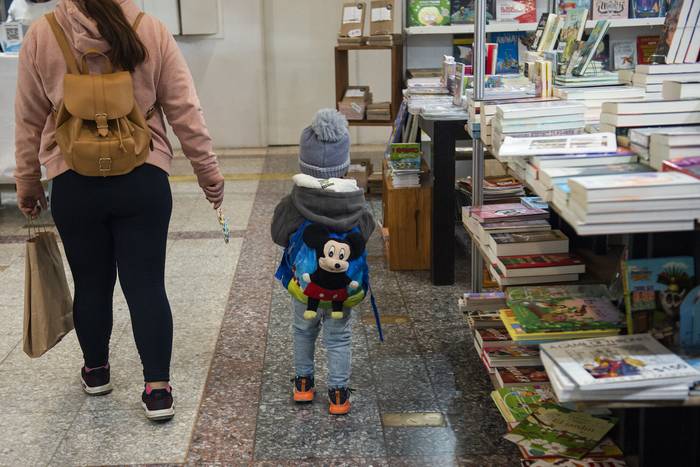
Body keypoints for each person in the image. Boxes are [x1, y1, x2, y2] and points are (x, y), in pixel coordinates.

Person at [13, 0, 224, 421]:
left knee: (90, 283)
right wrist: (209, 174)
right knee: (146, 284)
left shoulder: (43, 33)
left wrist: (28, 180)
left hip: (73, 180)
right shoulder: (151, 30)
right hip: (142, 175)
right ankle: (158, 390)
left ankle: (95, 372)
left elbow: (28, 119)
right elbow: (185, 110)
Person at [271, 109, 375, 415]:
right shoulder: (356, 202)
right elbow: (365, 234)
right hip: (344, 290)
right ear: (344, 165)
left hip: (306, 286)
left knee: (303, 330)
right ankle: (338, 394)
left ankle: (304, 384)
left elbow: (278, 234)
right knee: (339, 336)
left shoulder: (294, 203)